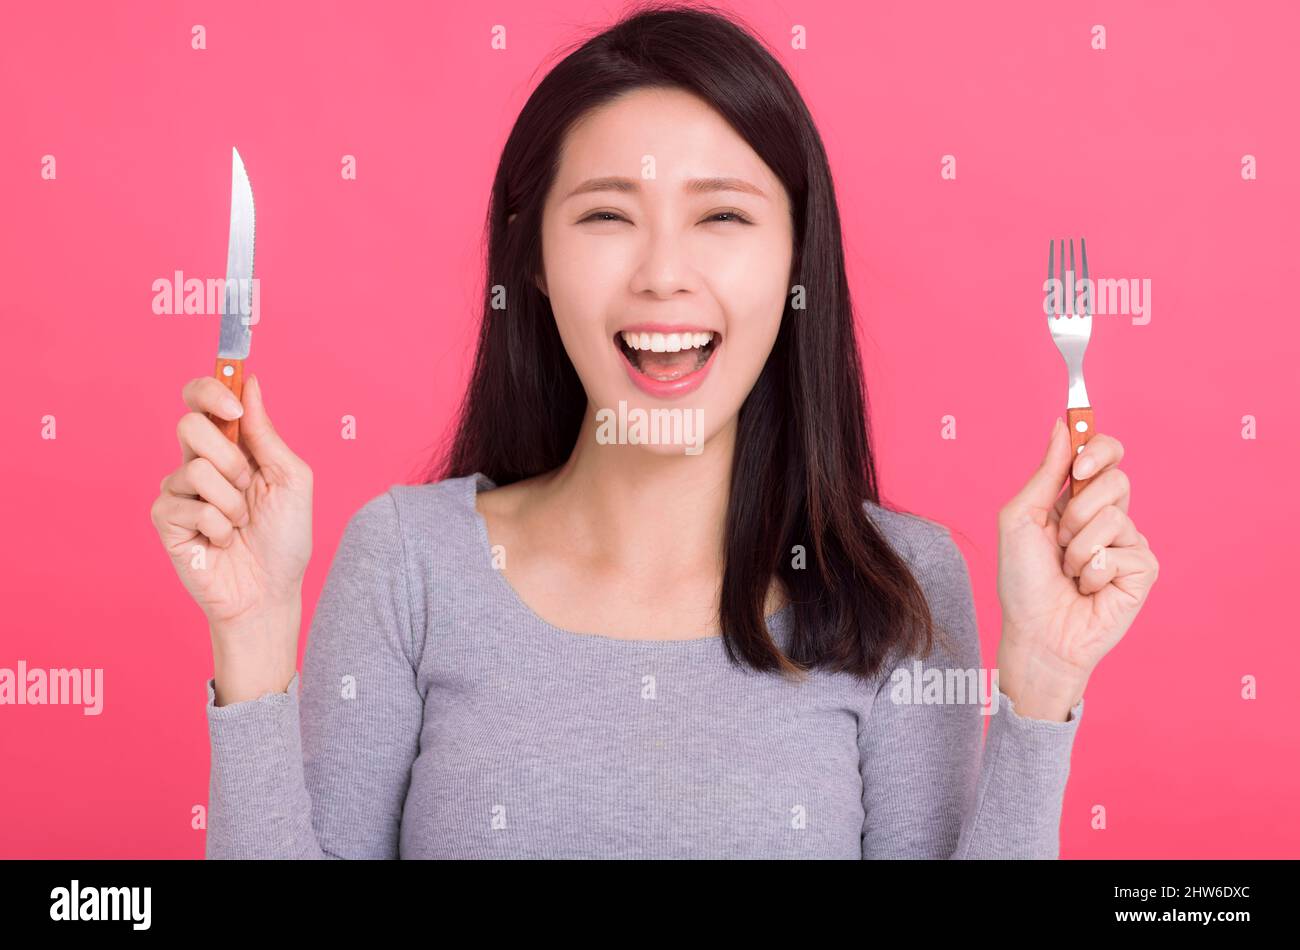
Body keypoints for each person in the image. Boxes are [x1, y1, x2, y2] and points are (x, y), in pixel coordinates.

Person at [150, 4, 1158, 859]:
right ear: (532, 257)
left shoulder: (898, 584)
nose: (663, 273)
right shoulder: (408, 560)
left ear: (796, 261)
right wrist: (248, 631)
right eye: (605, 216)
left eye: (722, 217)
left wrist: (1041, 688)